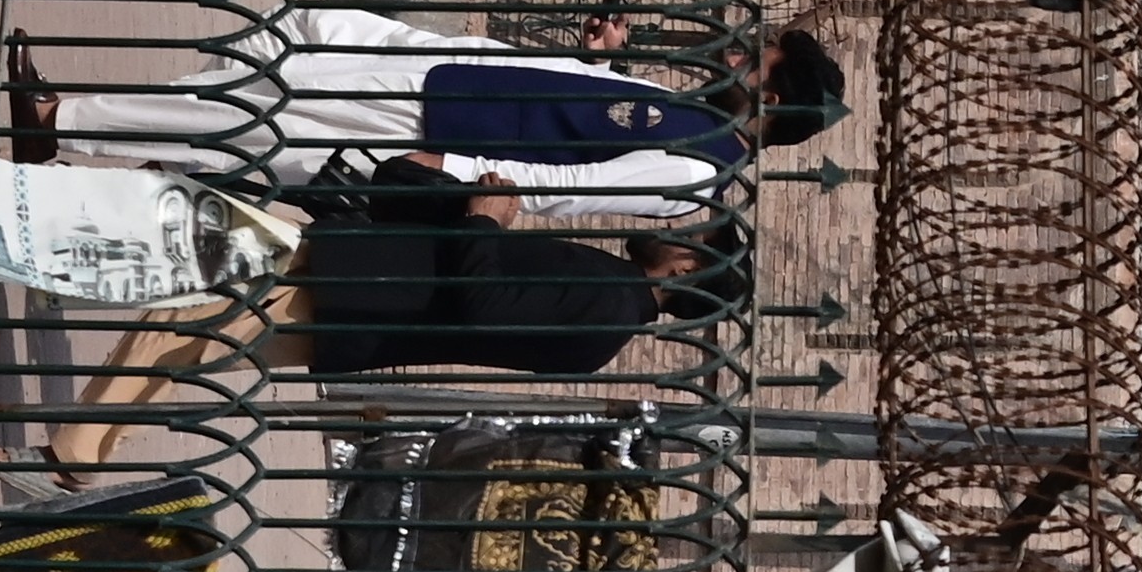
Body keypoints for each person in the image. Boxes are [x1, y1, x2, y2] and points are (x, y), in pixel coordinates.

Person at [52, 167, 737, 466]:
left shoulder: (607, 305)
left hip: (353, 295)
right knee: (176, 330)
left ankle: (72, 453)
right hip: (349, 283)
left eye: (693, 238)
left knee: (177, 331)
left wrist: (484, 222)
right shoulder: (610, 298)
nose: (679, 228)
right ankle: (81, 449)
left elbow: (484, 307)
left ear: (683, 271)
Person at [24, 3, 840, 225]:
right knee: (298, 37)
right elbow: (588, 112)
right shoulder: (689, 107)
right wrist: (597, 61)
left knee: (258, 114)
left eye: (754, 58)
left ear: (771, 97)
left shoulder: (696, 171)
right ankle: (135, 142)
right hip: (448, 76)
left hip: (432, 132)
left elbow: (565, 186)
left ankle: (64, 120)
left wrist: (447, 172)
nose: (736, 51)